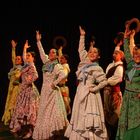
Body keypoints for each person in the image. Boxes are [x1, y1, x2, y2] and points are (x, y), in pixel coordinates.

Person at [64, 26, 108, 140]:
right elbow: (81, 49)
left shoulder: (97, 68)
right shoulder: (84, 63)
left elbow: (104, 81)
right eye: (90, 52)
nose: (92, 53)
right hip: (80, 93)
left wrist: (94, 89)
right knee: (79, 115)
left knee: (88, 117)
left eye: (95, 52)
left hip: (90, 95)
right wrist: (82, 36)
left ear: (98, 56)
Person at [32, 31, 69, 140]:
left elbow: (64, 74)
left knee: (52, 111)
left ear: (57, 55)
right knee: (44, 110)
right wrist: (38, 41)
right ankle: (45, 133)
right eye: (50, 52)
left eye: (53, 52)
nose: (51, 53)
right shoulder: (47, 63)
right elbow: (41, 52)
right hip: (44, 90)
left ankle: (54, 131)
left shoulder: (57, 65)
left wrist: (54, 83)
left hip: (52, 91)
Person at [9, 40, 40, 139]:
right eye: (27, 56)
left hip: (29, 91)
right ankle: (19, 129)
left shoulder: (32, 66)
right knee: (20, 110)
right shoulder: (26, 65)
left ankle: (30, 131)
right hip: (23, 91)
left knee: (29, 112)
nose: (26, 57)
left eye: (29, 56)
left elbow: (36, 76)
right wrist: (25, 48)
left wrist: (27, 81)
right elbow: (23, 56)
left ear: (33, 58)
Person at [115, 24, 140, 140]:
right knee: (125, 120)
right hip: (127, 97)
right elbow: (127, 50)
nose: (136, 55)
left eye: (138, 54)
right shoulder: (131, 64)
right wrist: (125, 37)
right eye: (135, 54)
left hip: (137, 99)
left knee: (135, 122)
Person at [103, 44, 125, 140]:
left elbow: (117, 79)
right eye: (113, 53)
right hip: (106, 92)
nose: (114, 54)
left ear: (121, 56)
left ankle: (115, 135)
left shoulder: (120, 67)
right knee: (107, 112)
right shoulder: (110, 65)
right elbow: (106, 75)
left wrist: (105, 81)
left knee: (115, 114)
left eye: (116, 53)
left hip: (114, 93)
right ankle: (108, 135)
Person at [2, 40, 23, 125]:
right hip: (10, 87)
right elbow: (13, 57)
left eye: (18, 59)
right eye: (16, 59)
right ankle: (8, 118)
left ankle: (14, 120)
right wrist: (13, 48)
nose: (16, 60)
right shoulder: (13, 69)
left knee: (13, 104)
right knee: (8, 102)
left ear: (21, 61)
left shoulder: (21, 68)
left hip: (17, 88)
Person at [58, 46, 71, 115]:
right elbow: (60, 56)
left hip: (62, 87)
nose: (60, 59)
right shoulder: (61, 65)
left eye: (62, 58)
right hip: (59, 87)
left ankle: (66, 113)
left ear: (66, 60)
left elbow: (64, 74)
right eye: (60, 58)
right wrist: (60, 50)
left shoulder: (65, 66)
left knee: (65, 101)